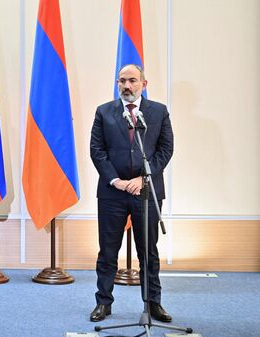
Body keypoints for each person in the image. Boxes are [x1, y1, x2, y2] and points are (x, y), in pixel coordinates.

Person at [89, 64, 174, 323]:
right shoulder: (104, 112)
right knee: (107, 251)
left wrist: (141, 179)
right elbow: (97, 150)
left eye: (133, 81)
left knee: (148, 251)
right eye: (122, 81)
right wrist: (116, 180)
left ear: (143, 84)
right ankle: (103, 303)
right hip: (112, 193)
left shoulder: (158, 112)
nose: (127, 86)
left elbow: (165, 150)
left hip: (146, 192)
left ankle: (153, 304)